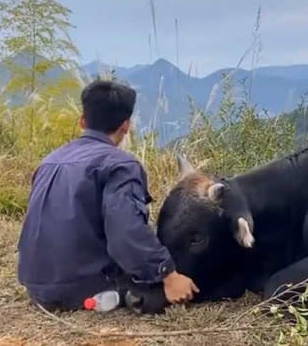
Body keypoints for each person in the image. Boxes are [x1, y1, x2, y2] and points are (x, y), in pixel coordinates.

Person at [17, 79, 198, 311]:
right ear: (126, 125)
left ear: (82, 121)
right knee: (178, 287)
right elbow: (126, 232)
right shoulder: (120, 165)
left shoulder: (50, 161)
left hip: (36, 286)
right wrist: (169, 275)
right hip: (83, 287)